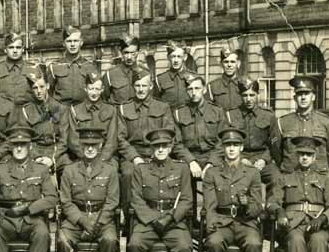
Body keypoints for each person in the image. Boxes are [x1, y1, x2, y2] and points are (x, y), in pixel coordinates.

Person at [128, 128, 193, 252]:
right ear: (151, 149)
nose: (161, 149)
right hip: (148, 220)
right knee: (135, 244)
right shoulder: (141, 169)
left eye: (164, 146)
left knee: (184, 246)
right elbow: (136, 199)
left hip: (173, 221)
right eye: (157, 146)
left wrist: (170, 218)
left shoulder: (182, 169)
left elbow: (186, 199)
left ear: (171, 147)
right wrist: (152, 219)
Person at [203, 128, 263, 252]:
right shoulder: (212, 173)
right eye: (228, 145)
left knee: (253, 243)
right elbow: (210, 205)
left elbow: (258, 205)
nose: (231, 149)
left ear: (241, 147)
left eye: (235, 145)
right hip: (222, 222)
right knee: (214, 242)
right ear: (223, 148)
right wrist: (211, 225)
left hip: (245, 222)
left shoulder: (252, 173)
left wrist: (247, 206)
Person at [58, 127, 119, 252]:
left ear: (100, 145)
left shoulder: (110, 170)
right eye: (86, 144)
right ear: (81, 145)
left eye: (94, 144)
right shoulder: (70, 170)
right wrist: (82, 221)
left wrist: (98, 222)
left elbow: (112, 201)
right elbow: (65, 201)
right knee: (63, 238)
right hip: (76, 219)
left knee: (110, 239)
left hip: (102, 219)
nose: (90, 148)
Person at [117, 66, 174, 208]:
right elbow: (120, 138)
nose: (141, 89)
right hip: (133, 156)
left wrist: (159, 154)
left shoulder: (162, 107)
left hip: (157, 152)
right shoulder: (124, 108)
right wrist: (135, 158)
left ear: (151, 86)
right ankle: (129, 219)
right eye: (137, 85)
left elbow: (169, 134)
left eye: (144, 85)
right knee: (128, 174)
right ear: (133, 87)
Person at [270, 75, 329, 175]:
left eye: (306, 93)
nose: (303, 97)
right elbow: (276, 152)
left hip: (317, 178)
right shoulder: (282, 123)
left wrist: (320, 167)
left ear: (313, 97)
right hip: (291, 177)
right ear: (294, 97)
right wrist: (288, 166)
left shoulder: (326, 122)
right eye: (299, 94)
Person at [225, 77, 277, 191]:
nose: (248, 99)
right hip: (238, 159)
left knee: (276, 178)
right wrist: (240, 158)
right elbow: (227, 142)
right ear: (240, 96)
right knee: (232, 180)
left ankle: (271, 207)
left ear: (258, 94)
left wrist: (264, 160)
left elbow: (274, 142)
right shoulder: (231, 115)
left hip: (262, 159)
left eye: (252, 95)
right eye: (245, 95)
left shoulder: (268, 116)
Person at [59, 72, 118, 170]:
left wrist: (101, 159)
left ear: (102, 89)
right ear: (85, 89)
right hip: (81, 156)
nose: (94, 93)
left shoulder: (111, 110)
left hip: (105, 156)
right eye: (91, 89)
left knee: (111, 170)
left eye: (97, 89)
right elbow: (73, 140)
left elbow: (112, 140)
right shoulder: (75, 110)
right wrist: (86, 158)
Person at [172, 73, 225, 180]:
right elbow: (176, 143)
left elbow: (222, 141)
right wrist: (191, 161)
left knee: (218, 179)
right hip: (188, 157)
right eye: (190, 89)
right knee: (182, 179)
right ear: (186, 91)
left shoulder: (217, 111)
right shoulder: (178, 113)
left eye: (197, 88)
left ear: (204, 90)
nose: (194, 92)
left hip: (212, 157)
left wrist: (211, 163)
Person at [15, 70, 64, 170]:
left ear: (48, 86)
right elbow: (25, 138)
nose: (39, 91)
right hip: (34, 151)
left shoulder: (60, 107)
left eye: (41, 87)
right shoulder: (26, 110)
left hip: (56, 150)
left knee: (68, 169)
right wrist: (36, 156)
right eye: (35, 88)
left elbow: (64, 139)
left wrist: (52, 158)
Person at [48, 26, 98, 106]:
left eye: (75, 41)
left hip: (82, 111)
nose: (72, 44)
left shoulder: (89, 66)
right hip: (61, 112)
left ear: (81, 43)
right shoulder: (54, 67)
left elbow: (96, 91)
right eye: (69, 41)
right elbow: (49, 92)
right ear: (64, 43)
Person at [0, 32, 37, 105]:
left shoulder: (33, 68)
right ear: (5, 50)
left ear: (23, 49)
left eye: (18, 47)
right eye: (11, 47)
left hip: (27, 112)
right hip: (4, 113)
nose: (15, 51)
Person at [155, 40, 196, 109]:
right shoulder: (160, 80)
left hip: (188, 118)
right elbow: (155, 104)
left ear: (185, 57)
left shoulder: (194, 77)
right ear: (168, 57)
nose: (176, 60)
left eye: (179, 56)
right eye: (173, 56)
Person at [103, 33, 140, 105]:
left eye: (133, 53)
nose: (129, 57)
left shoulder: (144, 73)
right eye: (126, 53)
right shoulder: (110, 74)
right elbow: (104, 99)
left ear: (137, 53)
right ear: (121, 53)